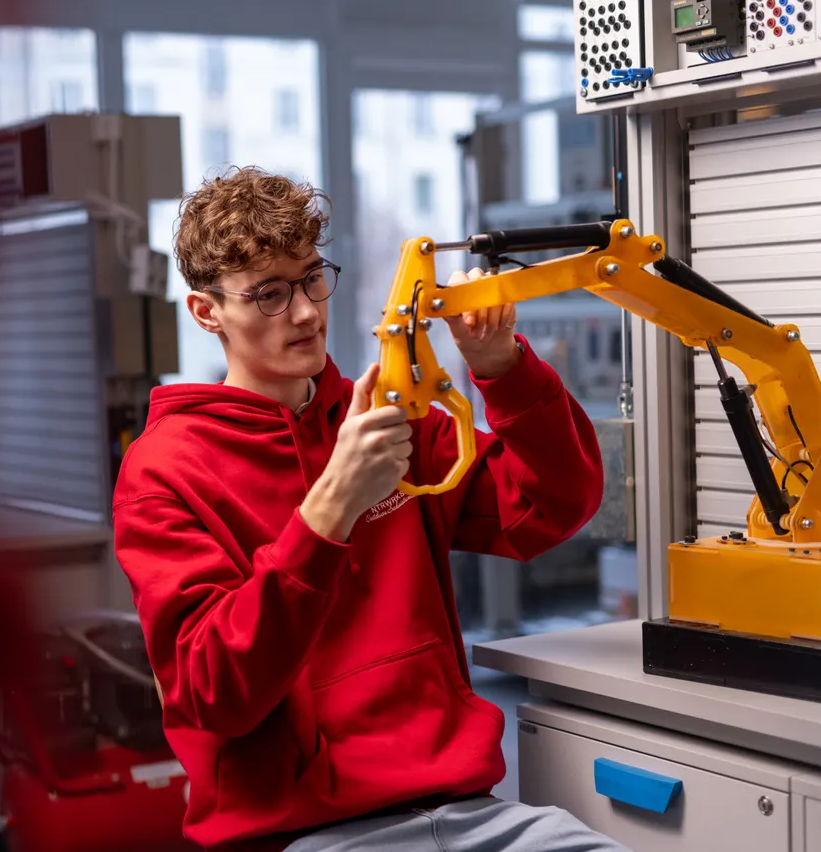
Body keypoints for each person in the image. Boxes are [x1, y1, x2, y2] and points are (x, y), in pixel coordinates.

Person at [112, 167, 624, 852]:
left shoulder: (387, 415)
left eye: (311, 277)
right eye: (268, 294)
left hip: (470, 809)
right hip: (307, 833)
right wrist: (328, 512)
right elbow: (216, 693)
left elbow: (552, 506)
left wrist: (503, 368)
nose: (303, 312)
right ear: (207, 312)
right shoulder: (164, 470)